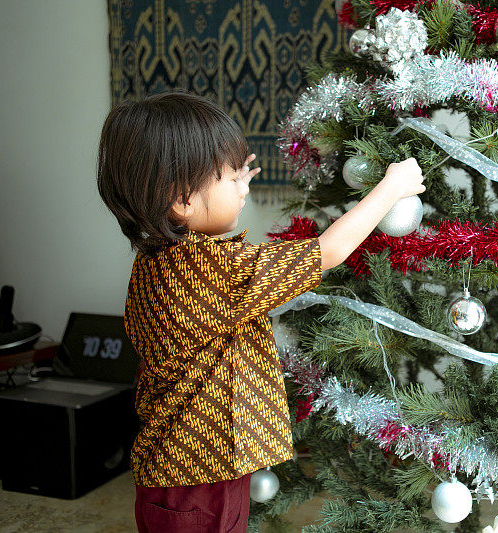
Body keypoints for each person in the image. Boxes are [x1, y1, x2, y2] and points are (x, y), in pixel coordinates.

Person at [96, 91, 424, 532]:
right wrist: (392, 189)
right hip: (199, 479)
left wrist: (228, 184)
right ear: (181, 201)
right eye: (232, 181)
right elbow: (328, 251)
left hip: (181, 467)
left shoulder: (158, 259)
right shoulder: (213, 270)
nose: (244, 188)